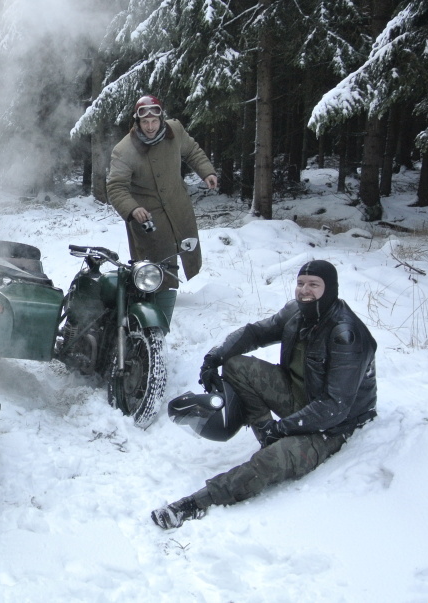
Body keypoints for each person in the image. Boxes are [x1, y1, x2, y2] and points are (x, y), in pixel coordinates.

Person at [151, 260, 378, 529]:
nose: (304, 290)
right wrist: (214, 357)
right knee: (236, 365)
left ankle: (199, 502)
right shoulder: (297, 312)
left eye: (314, 285)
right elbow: (255, 332)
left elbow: (334, 407)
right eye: (301, 283)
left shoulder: (346, 335)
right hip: (300, 396)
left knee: (270, 461)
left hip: (333, 426)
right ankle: (266, 434)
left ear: (330, 290)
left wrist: (283, 429)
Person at [106, 94, 217, 324]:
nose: (149, 126)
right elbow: (116, 187)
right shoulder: (124, 149)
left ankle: (160, 304)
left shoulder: (174, 131)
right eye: (144, 122)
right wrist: (133, 209)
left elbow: (193, 151)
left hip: (177, 207)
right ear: (137, 121)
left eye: (154, 121)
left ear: (161, 119)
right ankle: (158, 323)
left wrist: (207, 171)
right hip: (147, 217)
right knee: (157, 268)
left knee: (184, 250)